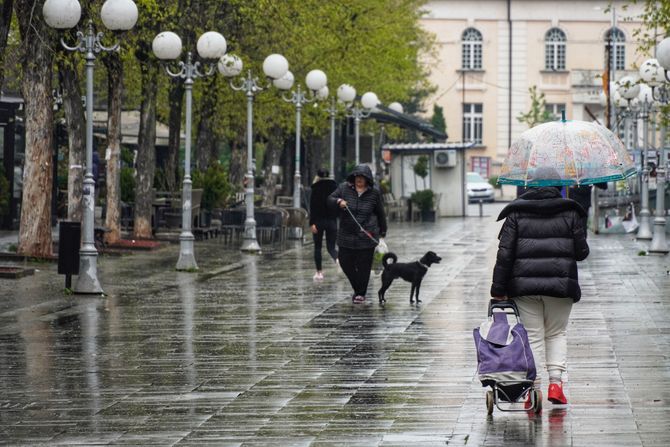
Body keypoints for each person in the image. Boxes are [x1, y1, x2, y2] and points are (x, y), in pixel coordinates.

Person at [490, 181, 589, 406]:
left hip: (524, 288)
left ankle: (533, 392)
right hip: (561, 287)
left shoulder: (515, 212)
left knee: (532, 335)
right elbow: (582, 253)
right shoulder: (571, 211)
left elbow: (504, 255)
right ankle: (556, 384)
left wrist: (498, 290)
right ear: (558, 187)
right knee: (556, 333)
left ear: (529, 186)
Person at [328, 164, 387, 304]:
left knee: (364, 266)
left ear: (368, 179)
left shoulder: (374, 193)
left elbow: (380, 213)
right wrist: (338, 201)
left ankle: (360, 293)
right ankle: (357, 287)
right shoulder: (344, 188)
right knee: (344, 261)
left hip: (366, 235)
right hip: (346, 235)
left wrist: (383, 231)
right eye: (357, 177)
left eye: (362, 177)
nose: (359, 180)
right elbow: (329, 199)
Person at [309, 168, 338, 281]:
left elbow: (313, 207)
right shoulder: (335, 187)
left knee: (318, 247)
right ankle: (338, 259)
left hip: (318, 222)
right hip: (332, 222)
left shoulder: (315, 188)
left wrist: (312, 223)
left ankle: (319, 273)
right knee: (331, 247)